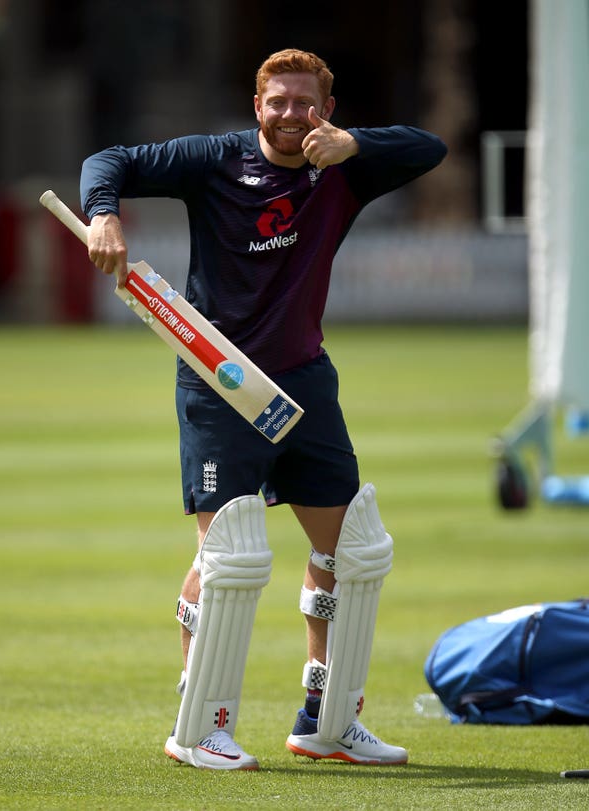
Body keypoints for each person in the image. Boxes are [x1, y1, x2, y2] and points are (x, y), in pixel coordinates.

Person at [80, 48, 446, 771]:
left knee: (351, 554)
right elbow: (108, 159)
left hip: (305, 381)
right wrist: (102, 217)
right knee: (230, 558)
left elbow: (429, 147)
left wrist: (356, 146)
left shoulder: (345, 165)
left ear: (326, 109)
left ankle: (326, 717)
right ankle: (198, 722)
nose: (289, 114)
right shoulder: (213, 157)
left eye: (304, 102)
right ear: (256, 106)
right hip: (219, 379)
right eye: (276, 101)